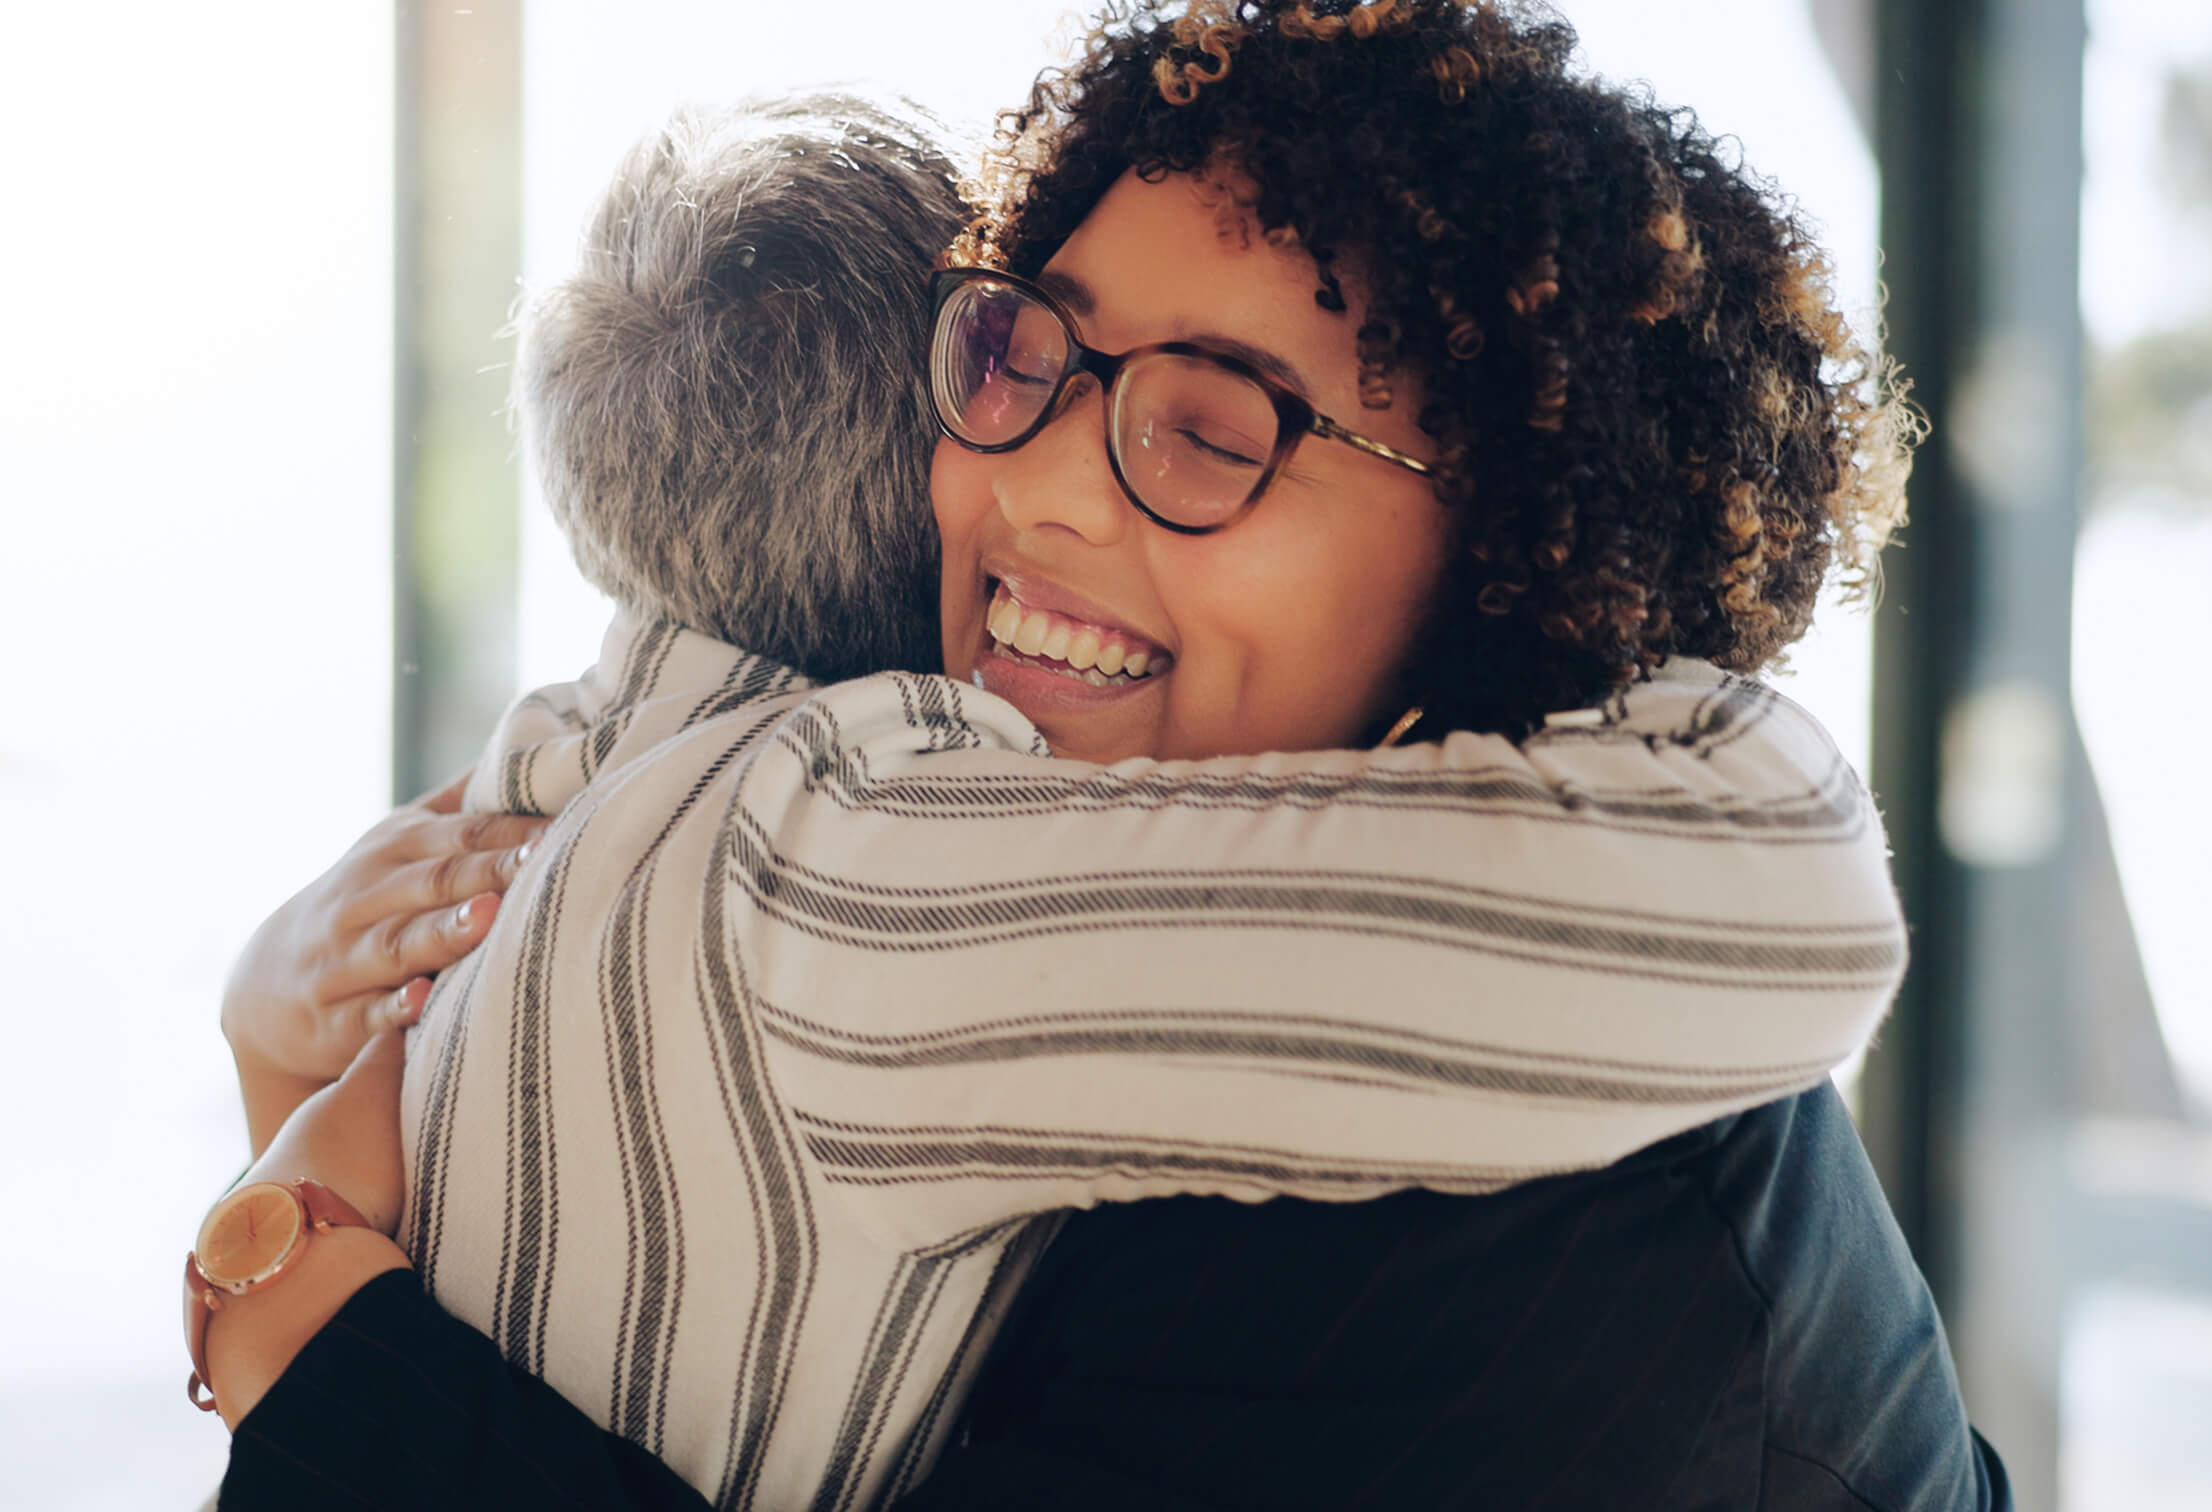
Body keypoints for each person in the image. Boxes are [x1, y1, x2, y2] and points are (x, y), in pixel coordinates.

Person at [200, 4, 2005, 1508]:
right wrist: (328, 1067)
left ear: (1519, 552)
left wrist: (301, 1322)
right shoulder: (1075, 905)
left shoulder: (1555, 1230)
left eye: (1218, 429)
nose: (1041, 489)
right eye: (1025, 354)